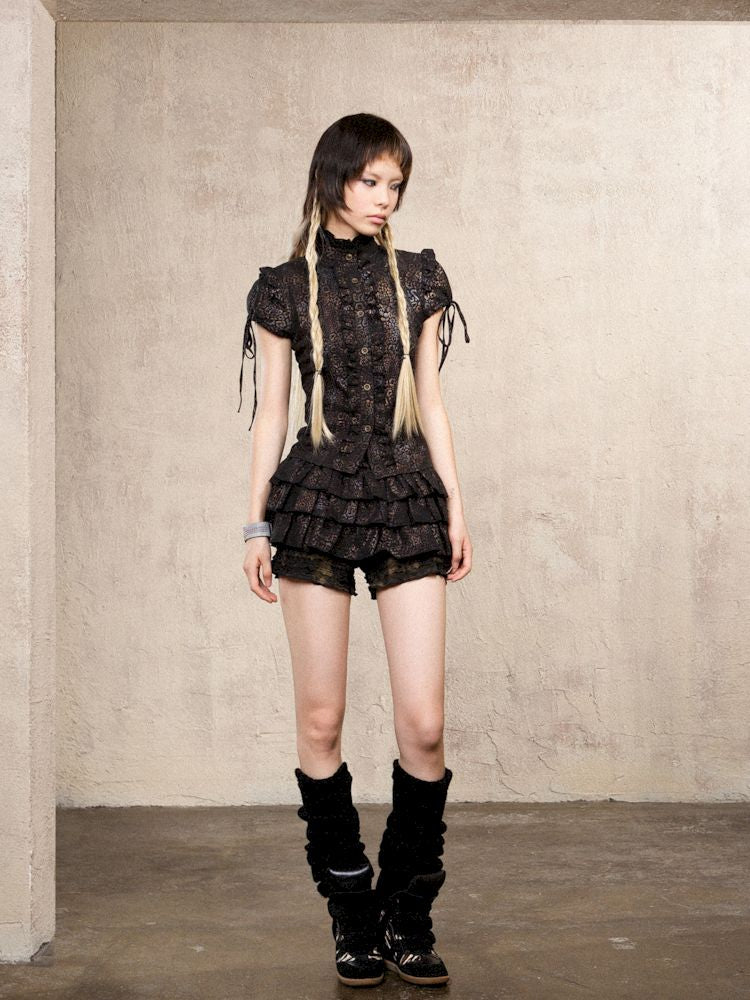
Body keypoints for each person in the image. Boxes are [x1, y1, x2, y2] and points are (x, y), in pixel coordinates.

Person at [238, 113, 472, 988]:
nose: (385, 198)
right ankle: (351, 912)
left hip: (407, 496)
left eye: (396, 184)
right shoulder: (282, 289)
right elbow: (270, 414)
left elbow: (432, 401)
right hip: (317, 502)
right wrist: (255, 525)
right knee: (321, 721)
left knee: (425, 725)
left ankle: (408, 909)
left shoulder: (418, 277)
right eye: (371, 180)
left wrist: (455, 506)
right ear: (333, 177)